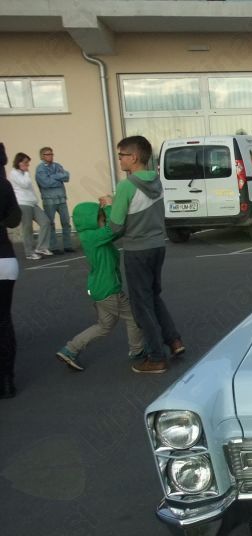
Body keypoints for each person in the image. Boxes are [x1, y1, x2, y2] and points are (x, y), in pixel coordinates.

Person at [109, 136, 184, 374]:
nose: (119, 160)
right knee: (153, 296)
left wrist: (108, 207)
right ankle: (174, 340)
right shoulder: (156, 181)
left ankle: (156, 358)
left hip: (137, 249)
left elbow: (116, 226)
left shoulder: (126, 186)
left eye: (121, 155)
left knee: (141, 305)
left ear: (133, 157)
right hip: (157, 246)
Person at [56, 201, 145, 371]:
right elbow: (114, 228)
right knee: (134, 317)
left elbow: (116, 232)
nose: (105, 222)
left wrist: (106, 211)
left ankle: (70, 349)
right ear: (91, 220)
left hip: (100, 289)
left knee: (104, 326)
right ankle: (137, 350)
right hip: (109, 289)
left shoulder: (93, 236)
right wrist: (110, 206)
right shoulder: (93, 237)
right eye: (102, 219)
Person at [0, 143, 21, 399]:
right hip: (5, 259)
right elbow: (15, 218)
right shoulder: (4, 185)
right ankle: (7, 381)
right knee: (4, 321)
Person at [8, 152, 52, 260]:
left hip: (32, 203)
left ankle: (41, 247)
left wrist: (35, 199)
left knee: (45, 222)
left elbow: (29, 188)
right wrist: (26, 172)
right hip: (23, 203)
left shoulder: (23, 173)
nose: (27, 165)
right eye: (26, 162)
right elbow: (24, 184)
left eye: (28, 162)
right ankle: (29, 252)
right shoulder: (14, 173)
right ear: (19, 162)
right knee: (28, 228)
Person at [34, 146, 74, 254]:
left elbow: (66, 176)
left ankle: (68, 246)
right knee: (51, 224)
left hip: (62, 198)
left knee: (66, 222)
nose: (51, 156)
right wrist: (58, 178)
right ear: (42, 156)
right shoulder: (40, 169)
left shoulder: (57, 165)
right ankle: (54, 247)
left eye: (51, 154)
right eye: (48, 154)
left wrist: (52, 176)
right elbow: (45, 183)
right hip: (49, 200)